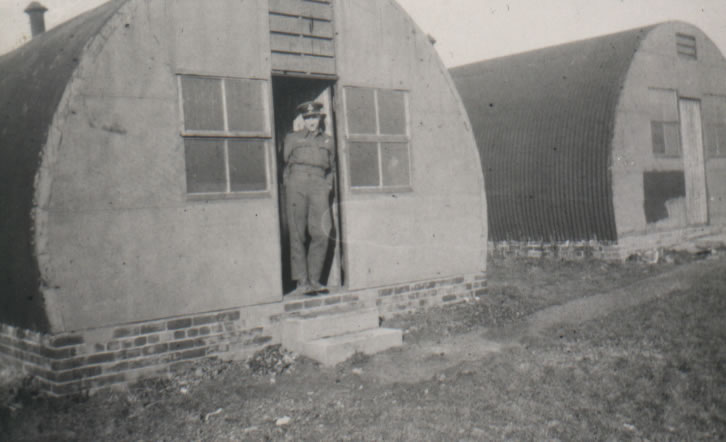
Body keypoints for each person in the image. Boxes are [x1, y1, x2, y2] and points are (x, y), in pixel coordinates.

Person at [283, 101, 336, 295]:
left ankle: (314, 279)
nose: (312, 121)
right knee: (297, 231)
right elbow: (285, 163)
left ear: (320, 118)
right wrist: (290, 183)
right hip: (297, 182)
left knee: (322, 231)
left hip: (319, 184)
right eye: (308, 118)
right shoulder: (292, 138)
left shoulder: (328, 140)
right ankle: (301, 281)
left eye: (314, 117)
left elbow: (331, 167)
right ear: (303, 120)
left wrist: (327, 185)